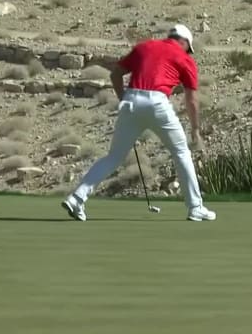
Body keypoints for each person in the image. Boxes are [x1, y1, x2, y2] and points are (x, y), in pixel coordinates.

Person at [61, 24, 216, 222]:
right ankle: (195, 208)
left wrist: (124, 99)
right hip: (158, 102)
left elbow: (115, 74)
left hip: (131, 100)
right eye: (189, 47)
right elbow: (191, 99)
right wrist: (195, 129)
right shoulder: (185, 59)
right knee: (181, 153)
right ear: (184, 42)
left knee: (114, 157)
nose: (188, 52)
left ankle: (76, 198)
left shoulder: (145, 46)